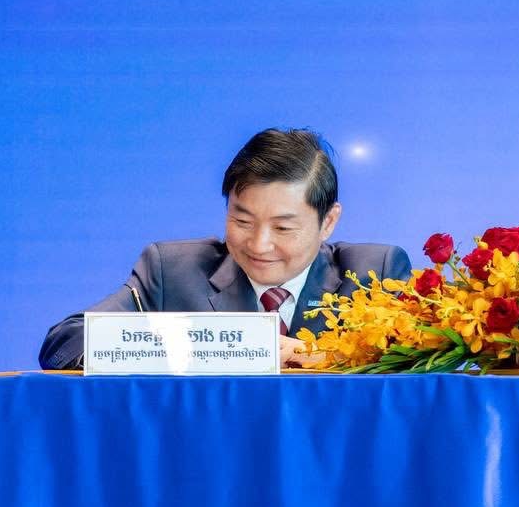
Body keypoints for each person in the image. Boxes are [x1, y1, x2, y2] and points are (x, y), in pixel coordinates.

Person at [39, 128, 411, 370]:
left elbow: (418, 369)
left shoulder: (373, 274)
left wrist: (331, 356)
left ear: (328, 222)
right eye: (242, 221)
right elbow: (65, 343)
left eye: (283, 227)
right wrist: (233, 345)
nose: (259, 244)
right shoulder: (172, 270)